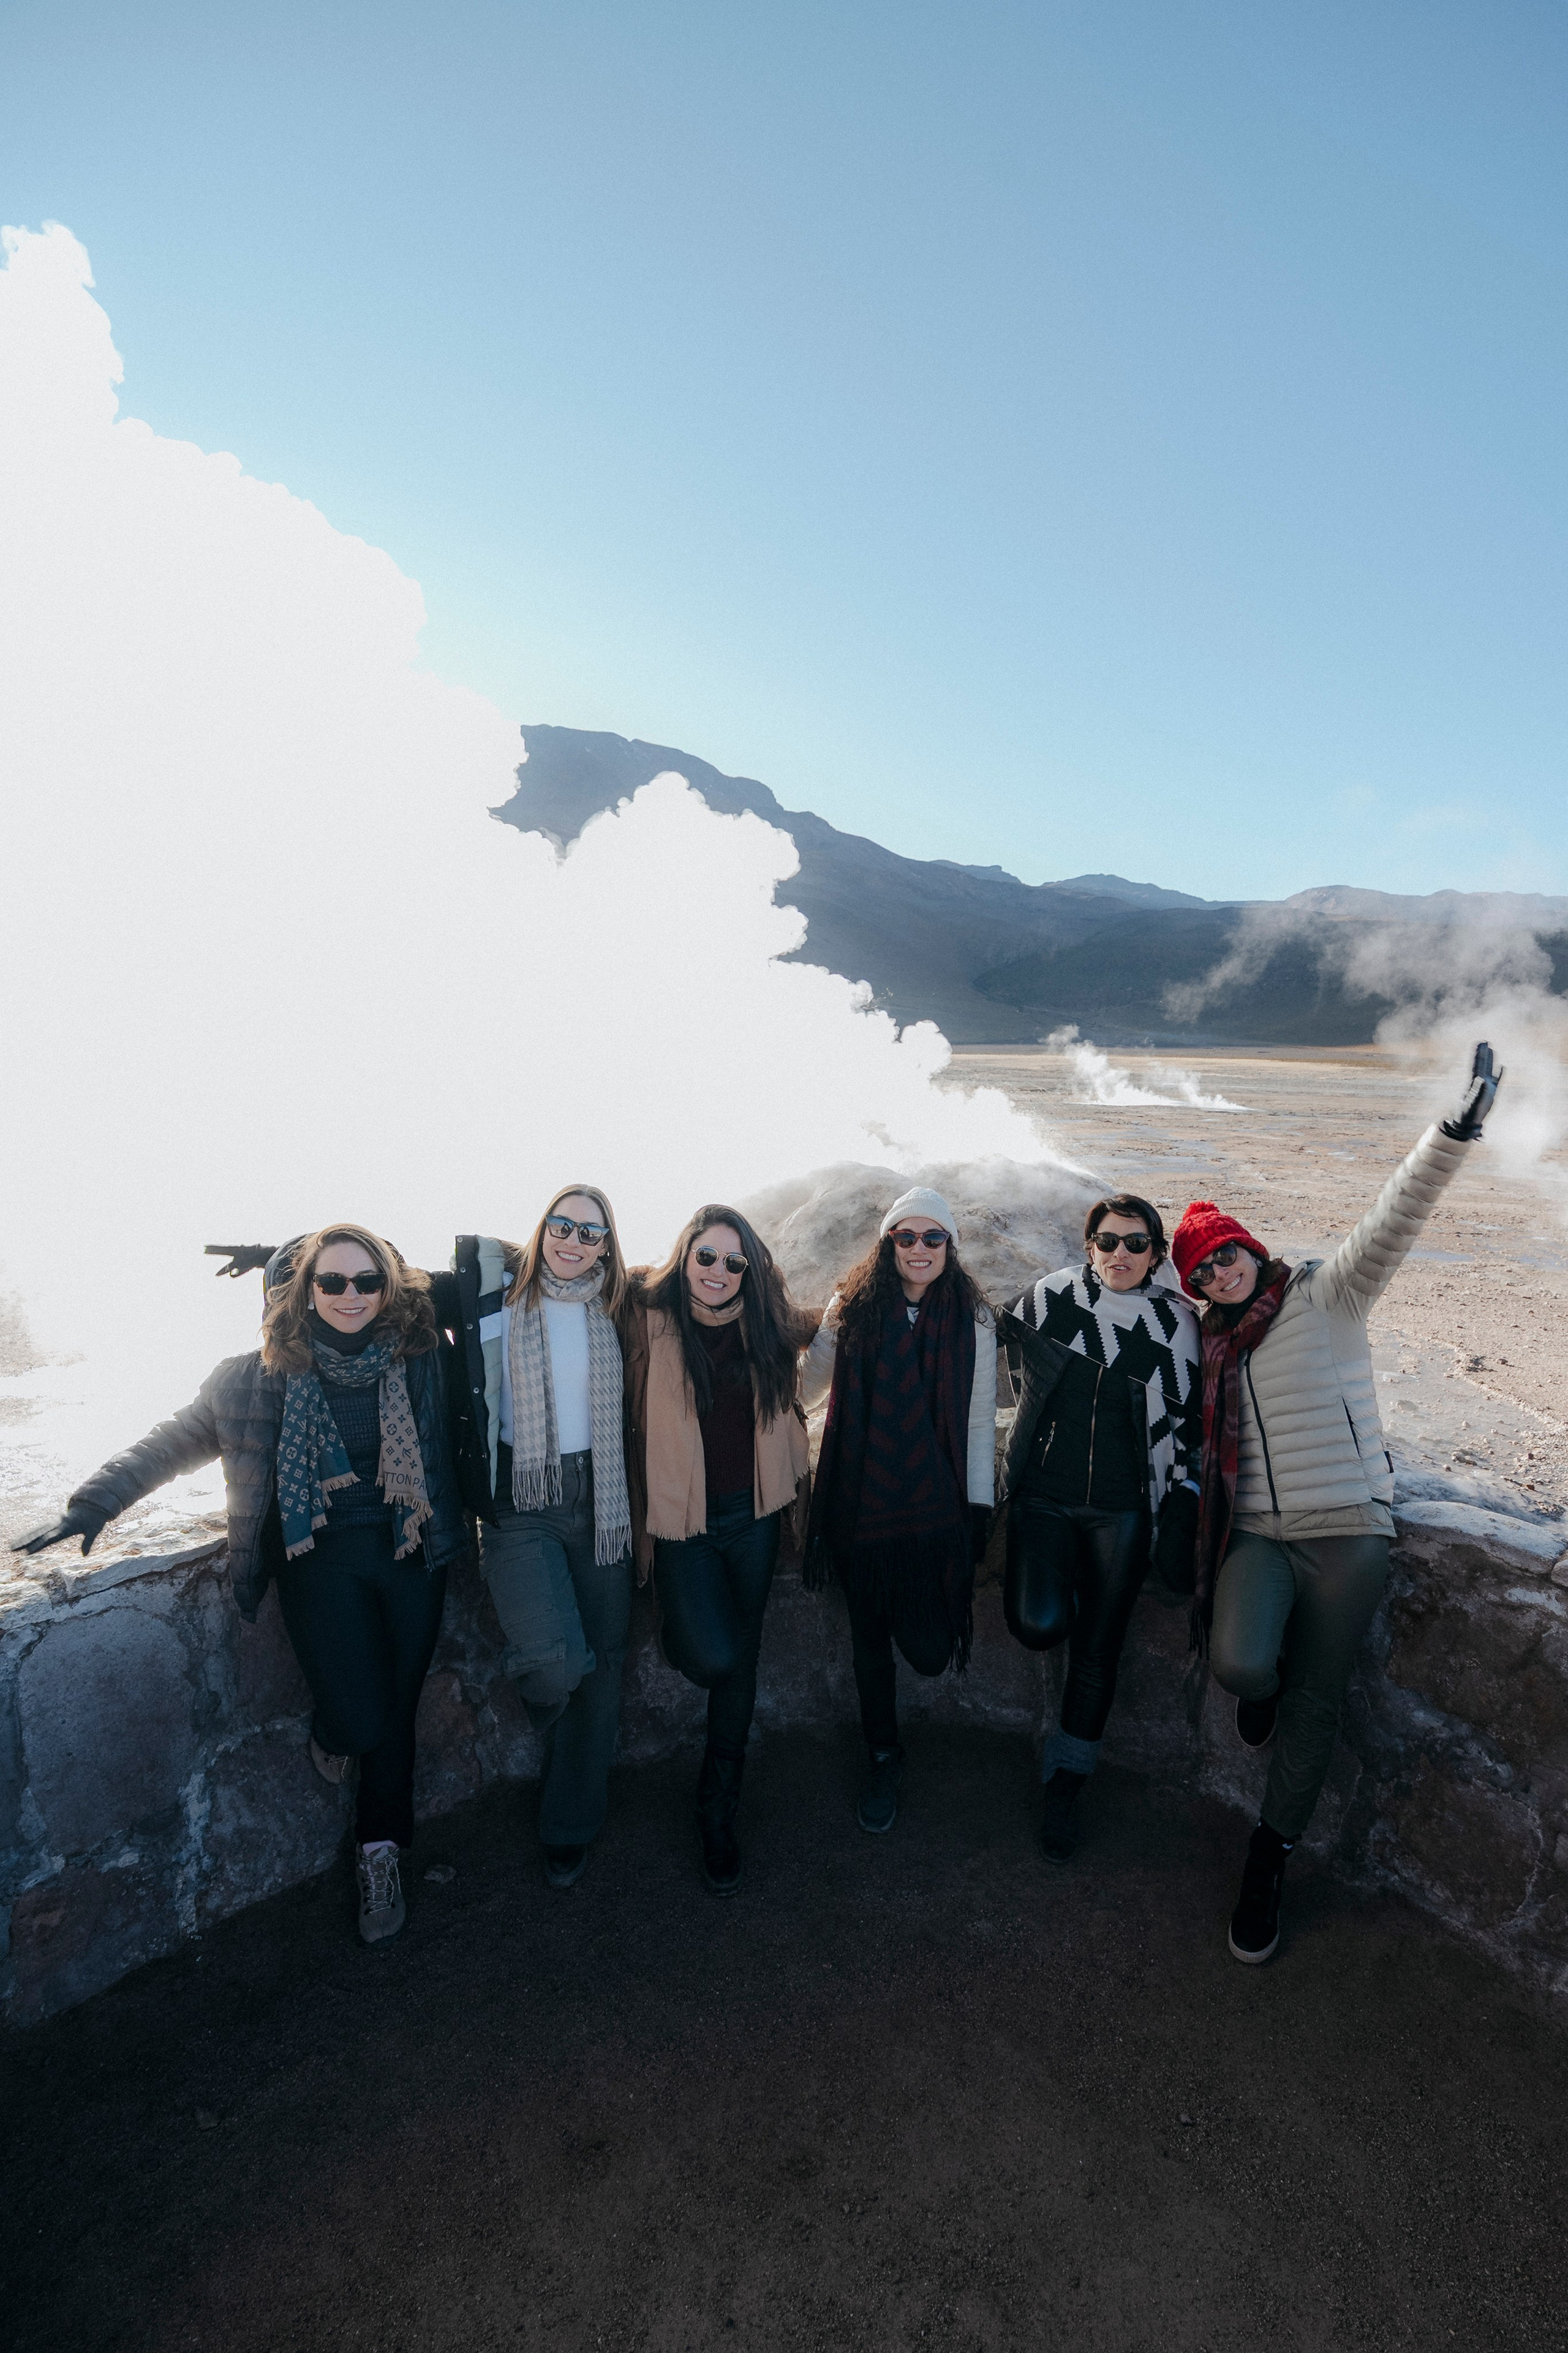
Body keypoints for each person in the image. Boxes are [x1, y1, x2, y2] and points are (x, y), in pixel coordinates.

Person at [12, 1225, 467, 1946]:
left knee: (396, 1714)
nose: (351, 1294)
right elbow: (172, 1441)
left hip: (411, 1550)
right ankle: (335, 1734)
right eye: (331, 1281)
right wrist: (93, 1503)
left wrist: (274, 1249)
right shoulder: (254, 1377)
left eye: (368, 1281)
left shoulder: (420, 1355)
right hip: (318, 1559)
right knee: (360, 1720)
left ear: (390, 1286)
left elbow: (481, 1280)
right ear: (303, 1291)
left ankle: (379, 1854)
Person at [1172, 1041, 1503, 1966]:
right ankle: (1263, 1690)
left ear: (1250, 1248)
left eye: (1226, 1255)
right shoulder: (1209, 1346)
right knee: (1240, 1663)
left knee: (1318, 1705)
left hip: (1349, 1533)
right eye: (1201, 1271)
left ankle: (1268, 1860)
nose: (1219, 1274)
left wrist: (1454, 1131)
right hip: (1258, 1534)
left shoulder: (1329, 1294)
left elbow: (1398, 1214)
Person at [429, 1190, 635, 1889]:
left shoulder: (619, 1303)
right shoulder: (491, 1291)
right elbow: (390, 1287)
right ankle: (554, 1700)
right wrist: (290, 1259)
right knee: (557, 1664)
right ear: (543, 1226)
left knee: (603, 1664)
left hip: (601, 1496)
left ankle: (569, 1821)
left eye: (590, 1232)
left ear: (607, 1244)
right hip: (520, 1496)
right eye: (562, 1225)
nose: (573, 1240)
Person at [996, 1194, 1202, 1861]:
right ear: (1089, 1246)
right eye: (1108, 1241)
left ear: (1156, 1254)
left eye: (1137, 1243)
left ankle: (1066, 1784)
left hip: (1125, 1508)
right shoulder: (1052, 1298)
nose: (1121, 1254)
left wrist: (1187, 1490)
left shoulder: (1176, 1323)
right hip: (1044, 1496)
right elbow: (982, 1343)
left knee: (1098, 1653)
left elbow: (1194, 1421)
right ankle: (1072, 1594)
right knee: (1038, 1623)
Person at [623, 1204, 814, 1894]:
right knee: (714, 1655)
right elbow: (570, 1271)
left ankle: (717, 1805)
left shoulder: (767, 1324)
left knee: (743, 1654)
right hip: (684, 1520)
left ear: (749, 1271)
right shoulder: (647, 1314)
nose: (718, 1271)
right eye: (706, 1256)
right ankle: (678, 1632)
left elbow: (828, 1328)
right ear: (685, 1256)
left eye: (734, 1262)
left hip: (754, 1512)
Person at [800, 1188, 997, 1832]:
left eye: (932, 1237)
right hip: (860, 1504)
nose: (918, 1249)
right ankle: (883, 1754)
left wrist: (978, 1509)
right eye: (904, 1237)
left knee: (931, 1650)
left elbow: (977, 1421)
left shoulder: (973, 1318)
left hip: (934, 1512)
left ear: (949, 1245)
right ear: (886, 1245)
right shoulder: (852, 1308)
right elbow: (808, 1388)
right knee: (869, 1645)